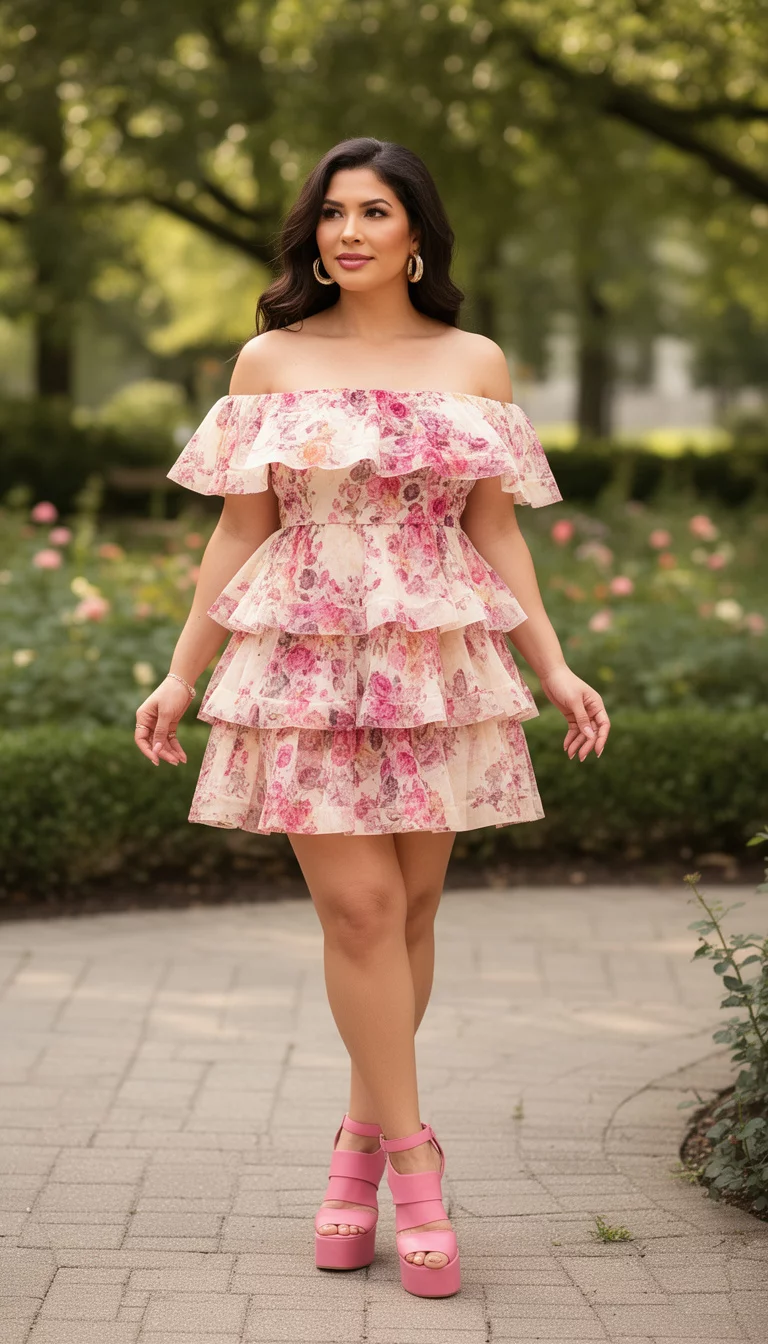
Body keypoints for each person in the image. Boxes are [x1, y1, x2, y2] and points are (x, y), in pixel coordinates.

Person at [134, 137, 610, 1299]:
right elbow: (240, 532)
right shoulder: (270, 361)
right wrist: (181, 674)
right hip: (301, 662)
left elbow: (494, 529)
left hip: (433, 663)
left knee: (410, 913)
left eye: (375, 213)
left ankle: (353, 1143)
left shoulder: (475, 363)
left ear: (416, 235)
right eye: (332, 215)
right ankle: (415, 1166)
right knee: (359, 908)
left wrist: (552, 664)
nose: (348, 233)